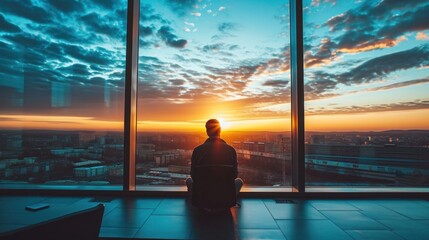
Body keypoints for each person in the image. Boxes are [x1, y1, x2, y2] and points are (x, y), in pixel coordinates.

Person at [186, 119, 243, 208]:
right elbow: (234, 175)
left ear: (207, 131)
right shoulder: (231, 150)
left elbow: (193, 175)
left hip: (202, 201)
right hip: (225, 201)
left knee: (189, 180)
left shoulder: (197, 150)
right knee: (239, 181)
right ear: (220, 130)